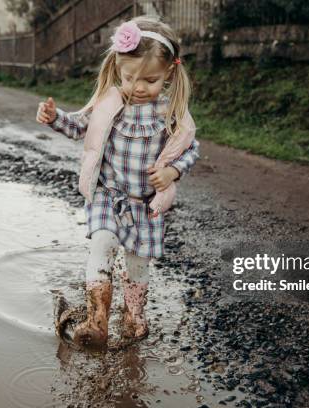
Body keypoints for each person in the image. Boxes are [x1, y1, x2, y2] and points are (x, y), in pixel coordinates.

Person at [37, 15, 200, 348]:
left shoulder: (171, 114)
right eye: (129, 78)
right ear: (117, 69)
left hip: (145, 206)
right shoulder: (109, 103)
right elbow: (78, 127)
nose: (138, 87)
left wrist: (172, 172)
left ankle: (134, 318)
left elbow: (191, 149)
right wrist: (56, 118)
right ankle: (96, 321)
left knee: (137, 268)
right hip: (108, 197)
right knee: (101, 244)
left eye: (150, 80)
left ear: (169, 73)